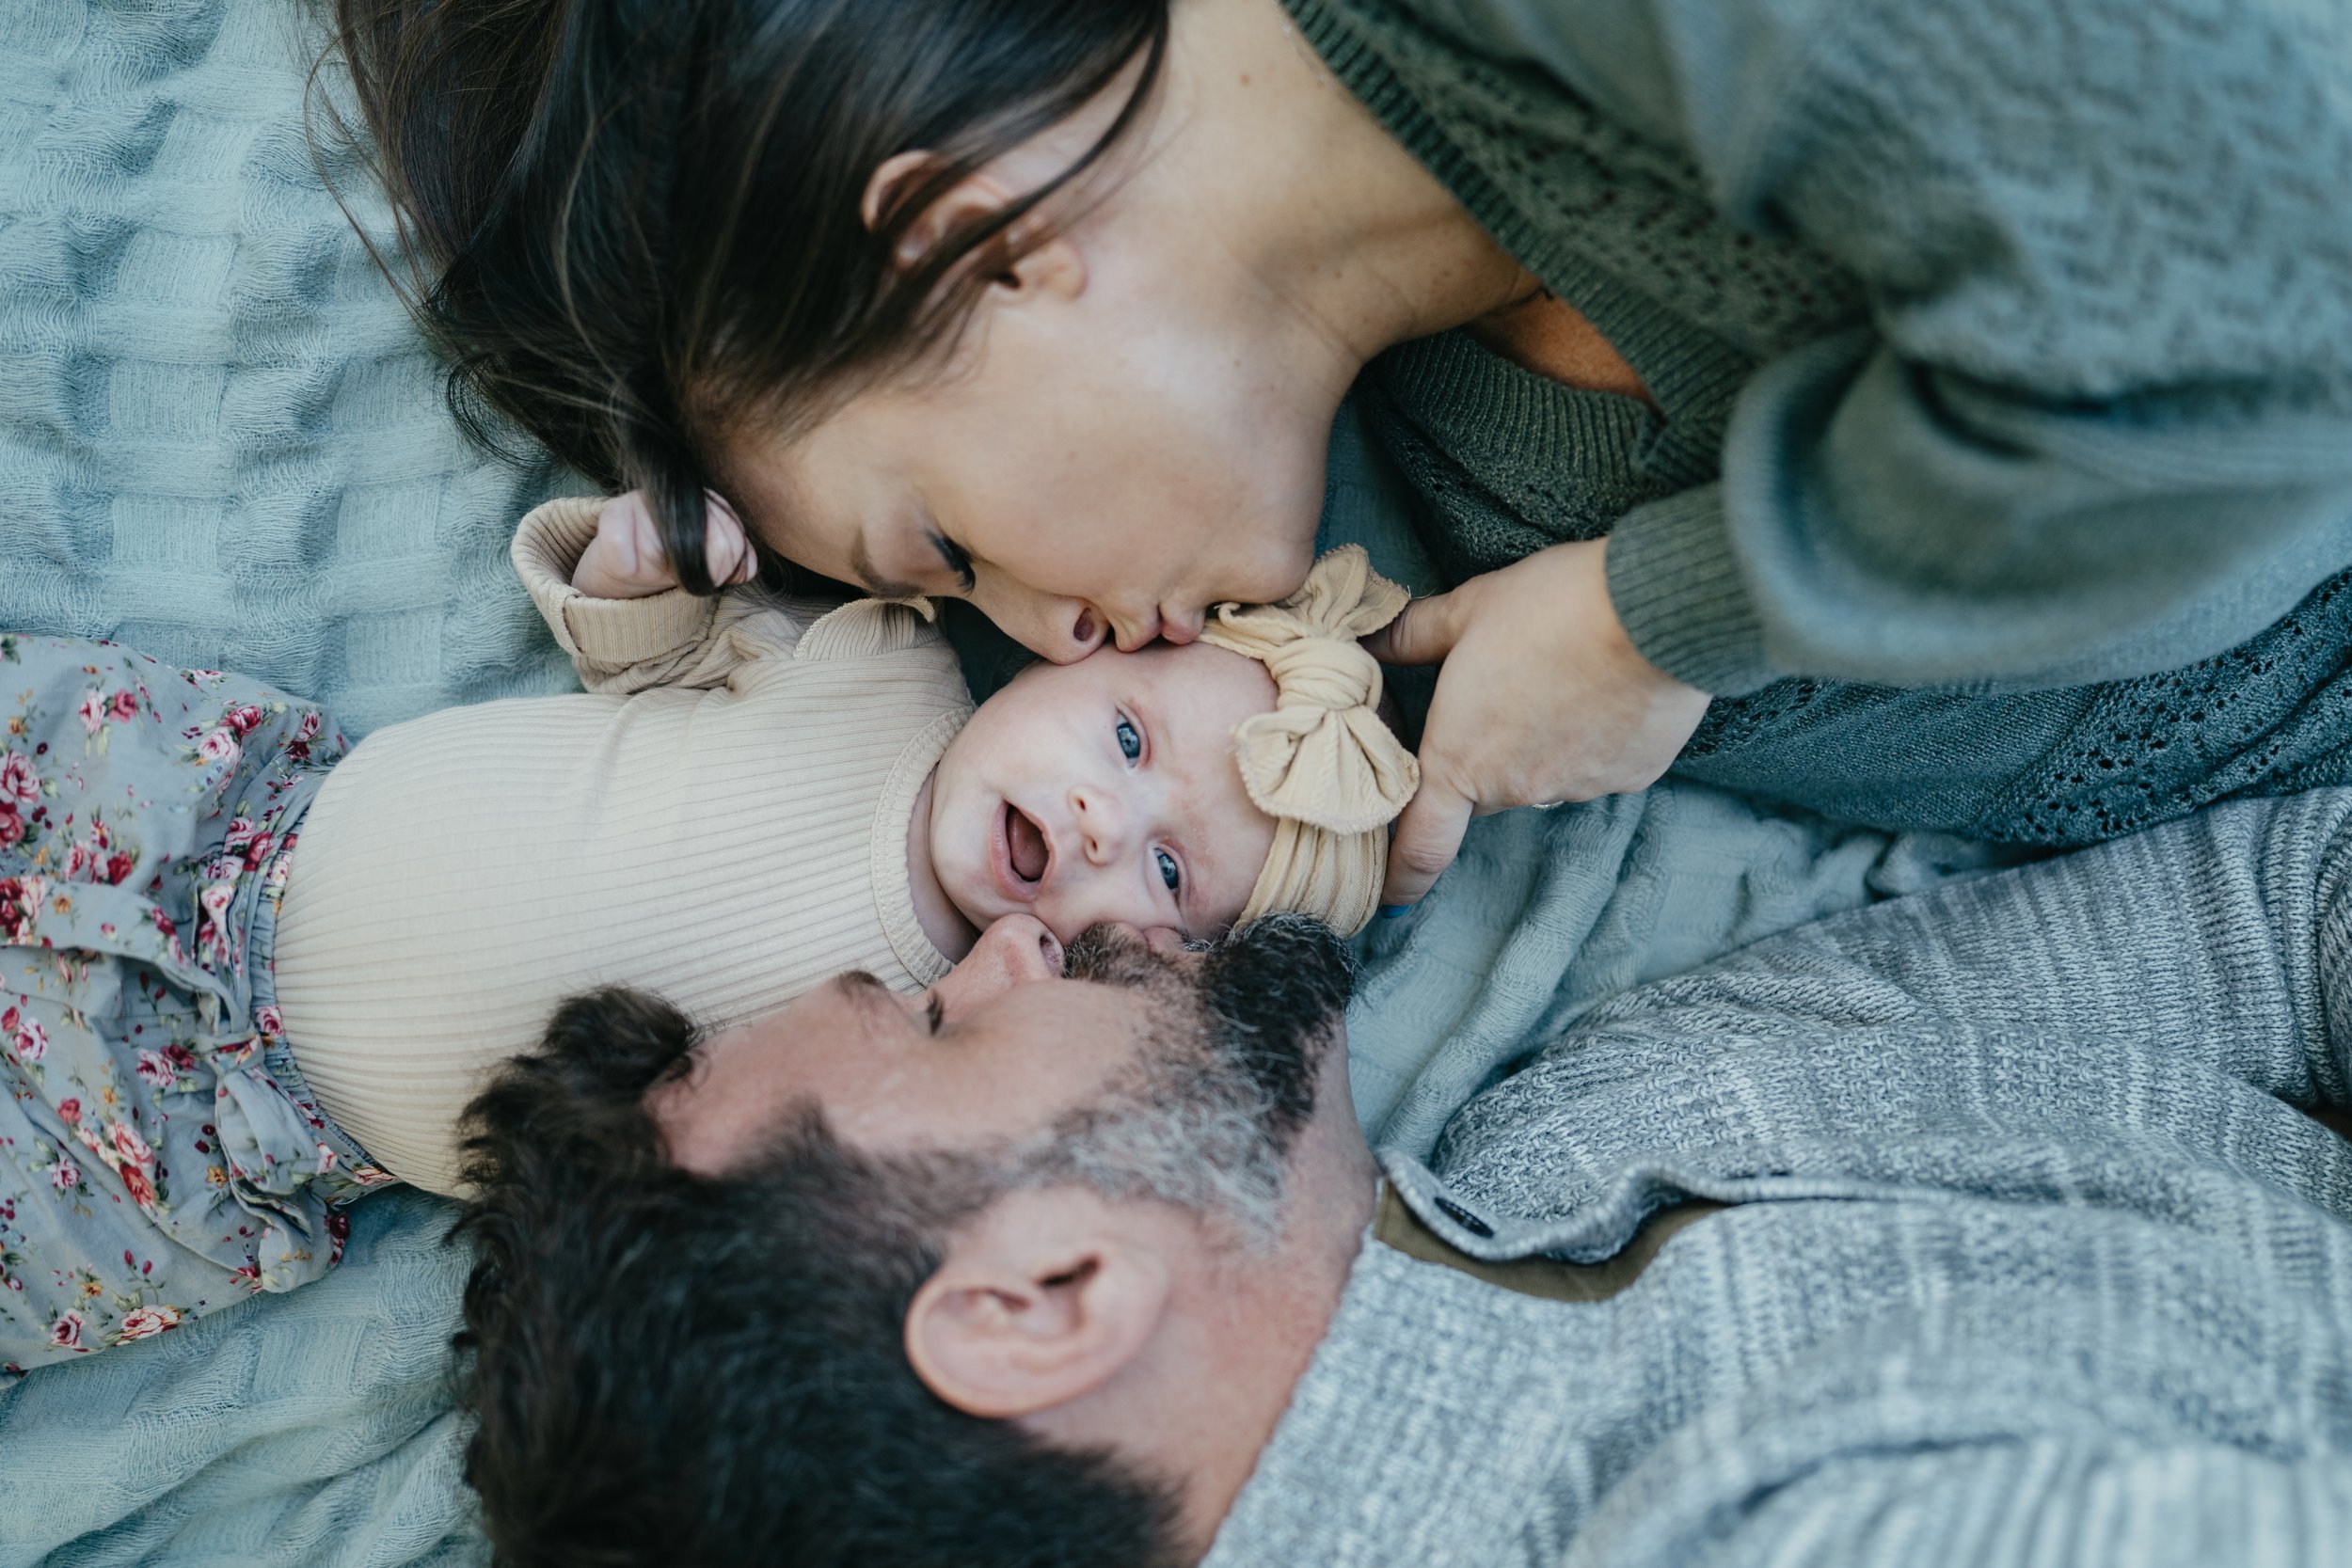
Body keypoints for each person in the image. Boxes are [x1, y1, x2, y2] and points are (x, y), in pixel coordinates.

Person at [330, 0, 2352, 909]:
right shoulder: (1330, 458)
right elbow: (972, 818)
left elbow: (2263, 326)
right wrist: (712, 622)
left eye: (940, 545)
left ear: (968, 237)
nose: (1033, 632)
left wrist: (1668, 622)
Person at [449, 789, 2352, 1566]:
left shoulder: (1587, 1121)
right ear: (1041, 1303)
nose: (1008, 935)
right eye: (948, 1023)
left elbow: (2268, 920)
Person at [0, 505, 1415, 1367]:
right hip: (226, 823)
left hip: (218, 1135)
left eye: (1170, 870)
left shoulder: (944, 1039)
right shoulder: (881, 664)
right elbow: (655, 658)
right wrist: (640, 572)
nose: (1108, 820)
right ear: (1077, 655)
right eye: (1126, 733)